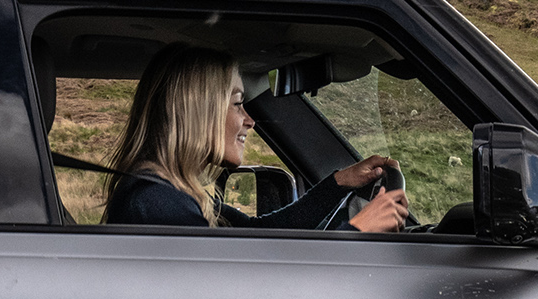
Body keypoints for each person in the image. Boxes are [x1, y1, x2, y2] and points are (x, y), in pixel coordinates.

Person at [101, 46, 409, 230]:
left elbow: (258, 233)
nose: (249, 120)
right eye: (237, 103)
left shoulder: (168, 195)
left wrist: (339, 182)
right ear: (199, 111)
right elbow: (243, 290)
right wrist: (358, 230)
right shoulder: (159, 204)